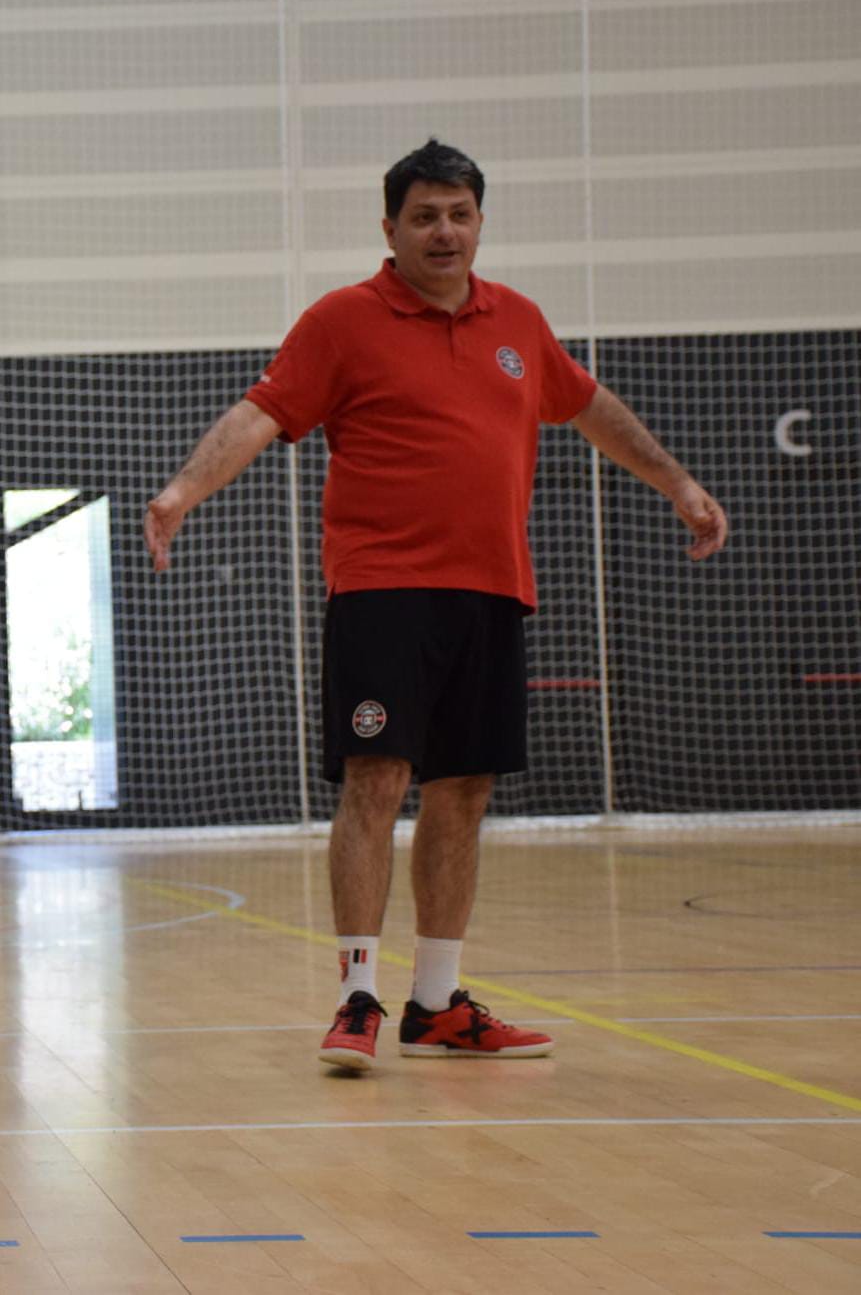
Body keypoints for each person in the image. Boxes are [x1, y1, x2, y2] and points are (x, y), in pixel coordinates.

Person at [145, 138, 727, 1072]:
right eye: (424, 216)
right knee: (376, 779)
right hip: (381, 589)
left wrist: (677, 483)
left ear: (480, 222)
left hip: (492, 590)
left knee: (463, 790)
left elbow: (585, 405)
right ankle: (356, 998)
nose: (443, 231)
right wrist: (181, 491)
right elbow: (260, 411)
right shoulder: (341, 321)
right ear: (390, 228)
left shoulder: (519, 324)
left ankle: (434, 1003)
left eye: (458, 214)